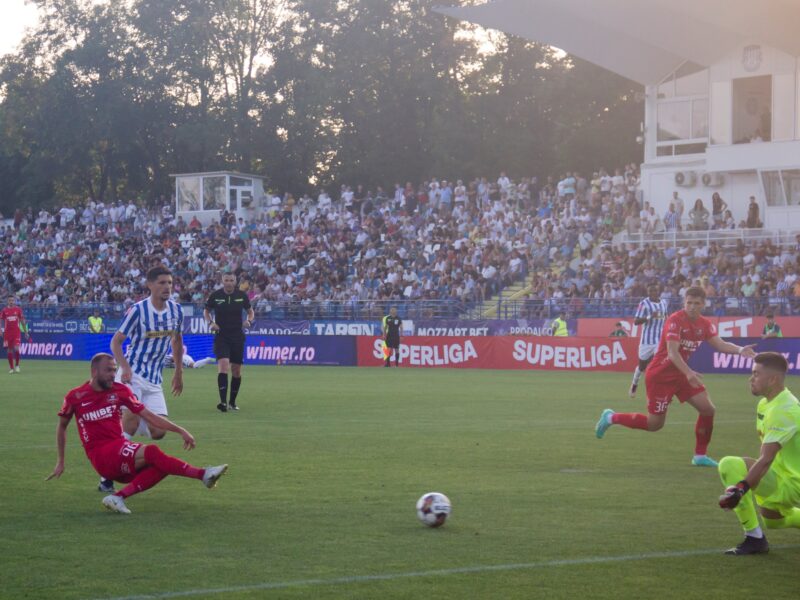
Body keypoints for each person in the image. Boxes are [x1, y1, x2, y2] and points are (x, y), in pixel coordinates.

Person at [46, 353, 227, 515]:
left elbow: (148, 415)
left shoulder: (120, 390)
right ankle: (203, 474)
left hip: (119, 448)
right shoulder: (75, 396)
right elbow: (62, 426)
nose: (112, 374)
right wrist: (60, 461)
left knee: (162, 465)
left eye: (114, 370)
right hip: (100, 455)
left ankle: (118, 497)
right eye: (108, 370)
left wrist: (180, 430)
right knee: (153, 453)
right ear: (94, 371)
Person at [595, 287, 757, 467]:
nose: (692, 307)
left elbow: (720, 344)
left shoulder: (705, 324)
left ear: (703, 304)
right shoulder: (675, 320)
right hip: (660, 376)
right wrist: (689, 372)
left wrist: (740, 350)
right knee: (654, 424)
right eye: (689, 302)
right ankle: (611, 417)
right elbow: (672, 353)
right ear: (684, 302)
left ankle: (700, 456)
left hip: (681, 374)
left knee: (708, 409)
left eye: (696, 303)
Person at [106, 265, 184, 493]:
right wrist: (125, 367)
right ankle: (108, 475)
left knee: (159, 431)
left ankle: (127, 429)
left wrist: (179, 372)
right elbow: (116, 342)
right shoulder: (138, 311)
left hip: (154, 379)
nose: (167, 287)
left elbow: (177, 341)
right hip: (132, 376)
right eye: (161, 283)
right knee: (129, 419)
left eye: (169, 283)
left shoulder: (176, 311)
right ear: (150, 285)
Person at [717, 352, 800, 555]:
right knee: (774, 522)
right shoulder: (766, 403)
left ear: (773, 379)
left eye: (756, 373)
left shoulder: (784, 409)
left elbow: (766, 458)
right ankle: (757, 537)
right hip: (777, 475)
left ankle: (754, 540)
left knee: (729, 464)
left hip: (792, 482)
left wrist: (741, 489)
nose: (750, 378)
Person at [204, 272, 254, 412]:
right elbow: (206, 311)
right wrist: (211, 323)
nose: (229, 283)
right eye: (226, 280)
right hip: (222, 336)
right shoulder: (216, 296)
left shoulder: (241, 296)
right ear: (222, 281)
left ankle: (232, 402)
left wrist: (249, 321)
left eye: (231, 280)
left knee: (236, 371)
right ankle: (223, 402)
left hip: (237, 336)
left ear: (235, 281)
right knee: (224, 365)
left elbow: (250, 311)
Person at [629, 285, 669, 398]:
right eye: (650, 290)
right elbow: (636, 321)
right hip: (646, 341)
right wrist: (649, 317)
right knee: (641, 367)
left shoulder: (664, 303)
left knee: (660, 365)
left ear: (658, 291)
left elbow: (666, 317)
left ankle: (659, 390)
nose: (652, 292)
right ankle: (634, 385)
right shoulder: (644, 304)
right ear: (648, 292)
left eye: (654, 290)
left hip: (659, 340)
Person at [1, 295, 29, 374]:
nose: (11, 302)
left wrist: (26, 332)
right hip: (7, 333)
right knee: (9, 350)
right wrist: (0, 330)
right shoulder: (4, 310)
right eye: (10, 300)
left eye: (12, 300)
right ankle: (11, 368)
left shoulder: (18, 310)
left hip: (16, 332)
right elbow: (1, 320)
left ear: (15, 301)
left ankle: (17, 365)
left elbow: (22, 321)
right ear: (7, 301)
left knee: (16, 349)